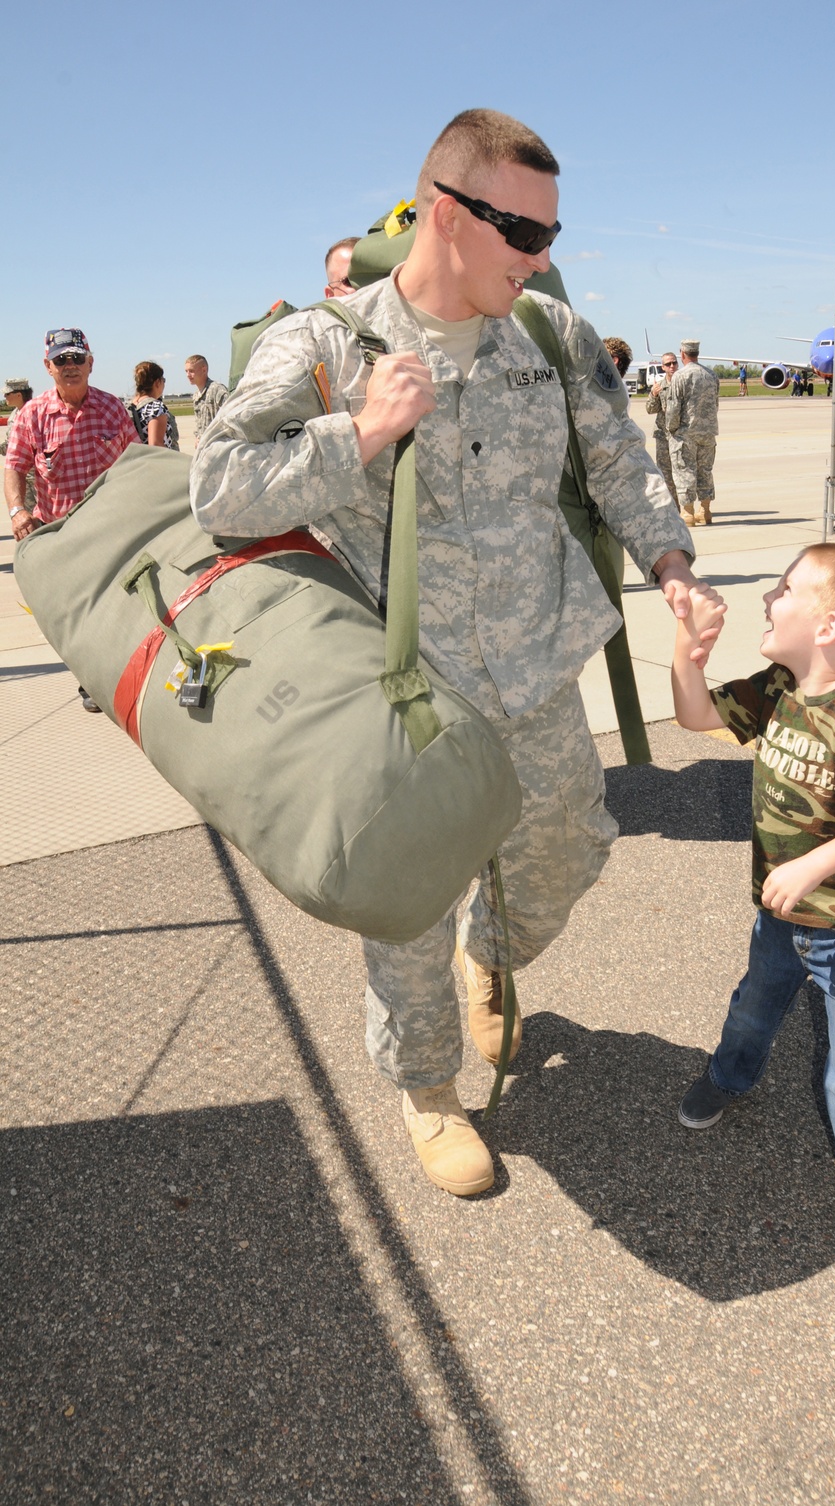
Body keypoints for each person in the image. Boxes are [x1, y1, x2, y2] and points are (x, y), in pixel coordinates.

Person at [191, 107, 722, 1197]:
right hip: (404, 686)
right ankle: (427, 1090)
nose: (541, 260)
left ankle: (495, 960)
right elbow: (220, 489)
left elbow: (619, 461)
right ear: (445, 210)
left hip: (536, 660)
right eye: (522, 234)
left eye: (551, 236)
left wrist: (673, 567)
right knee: (411, 903)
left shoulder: (551, 337)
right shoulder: (327, 341)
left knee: (568, 845)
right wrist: (363, 434)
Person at [672, 543, 835, 1275]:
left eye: (786, 589)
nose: (768, 597)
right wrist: (689, 648)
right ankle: (728, 1076)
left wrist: (812, 864)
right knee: (755, 1005)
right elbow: (694, 717)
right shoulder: (782, 685)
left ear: (828, 626)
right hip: (781, 916)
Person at [4, 328, 138, 712]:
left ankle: (121, 675)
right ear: (48, 367)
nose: (70, 366)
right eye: (61, 360)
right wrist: (18, 510)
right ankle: (92, 681)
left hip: (113, 532)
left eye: (77, 358)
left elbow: (139, 464)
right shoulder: (33, 416)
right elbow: (14, 467)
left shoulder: (113, 408)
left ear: (91, 363)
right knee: (76, 618)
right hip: (60, 535)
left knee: (120, 611)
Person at [665, 339, 719, 526]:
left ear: (683, 354)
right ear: (697, 353)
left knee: (684, 470)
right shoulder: (711, 375)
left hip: (685, 432)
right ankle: (705, 511)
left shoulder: (680, 376)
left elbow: (673, 407)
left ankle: (688, 513)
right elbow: (715, 405)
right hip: (708, 432)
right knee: (705, 470)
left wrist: (671, 428)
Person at [644, 353, 679, 508]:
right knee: (665, 472)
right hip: (663, 435)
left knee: (681, 470)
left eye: (674, 363)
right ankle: (674, 505)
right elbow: (650, 409)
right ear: (663, 367)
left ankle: (686, 505)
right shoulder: (659, 386)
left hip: (678, 435)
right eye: (668, 364)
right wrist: (653, 394)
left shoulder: (682, 384)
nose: (672, 366)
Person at [1, 378, 35, 514]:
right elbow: (10, 445)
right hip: (22, 475)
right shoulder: (14, 414)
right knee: (28, 514)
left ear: (19, 395)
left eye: (7, 394)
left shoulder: (34, 412)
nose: (4, 397)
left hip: (36, 476)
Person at [128, 361, 180, 450]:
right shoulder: (155, 407)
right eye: (163, 380)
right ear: (157, 382)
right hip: (158, 461)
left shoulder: (131, 407)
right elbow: (156, 444)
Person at [184, 355, 229, 445]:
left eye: (191, 371)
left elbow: (229, 416)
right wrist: (198, 437)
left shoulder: (217, 389)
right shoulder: (196, 395)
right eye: (186, 371)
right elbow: (199, 423)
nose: (188, 375)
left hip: (218, 444)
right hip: (204, 445)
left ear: (204, 370)